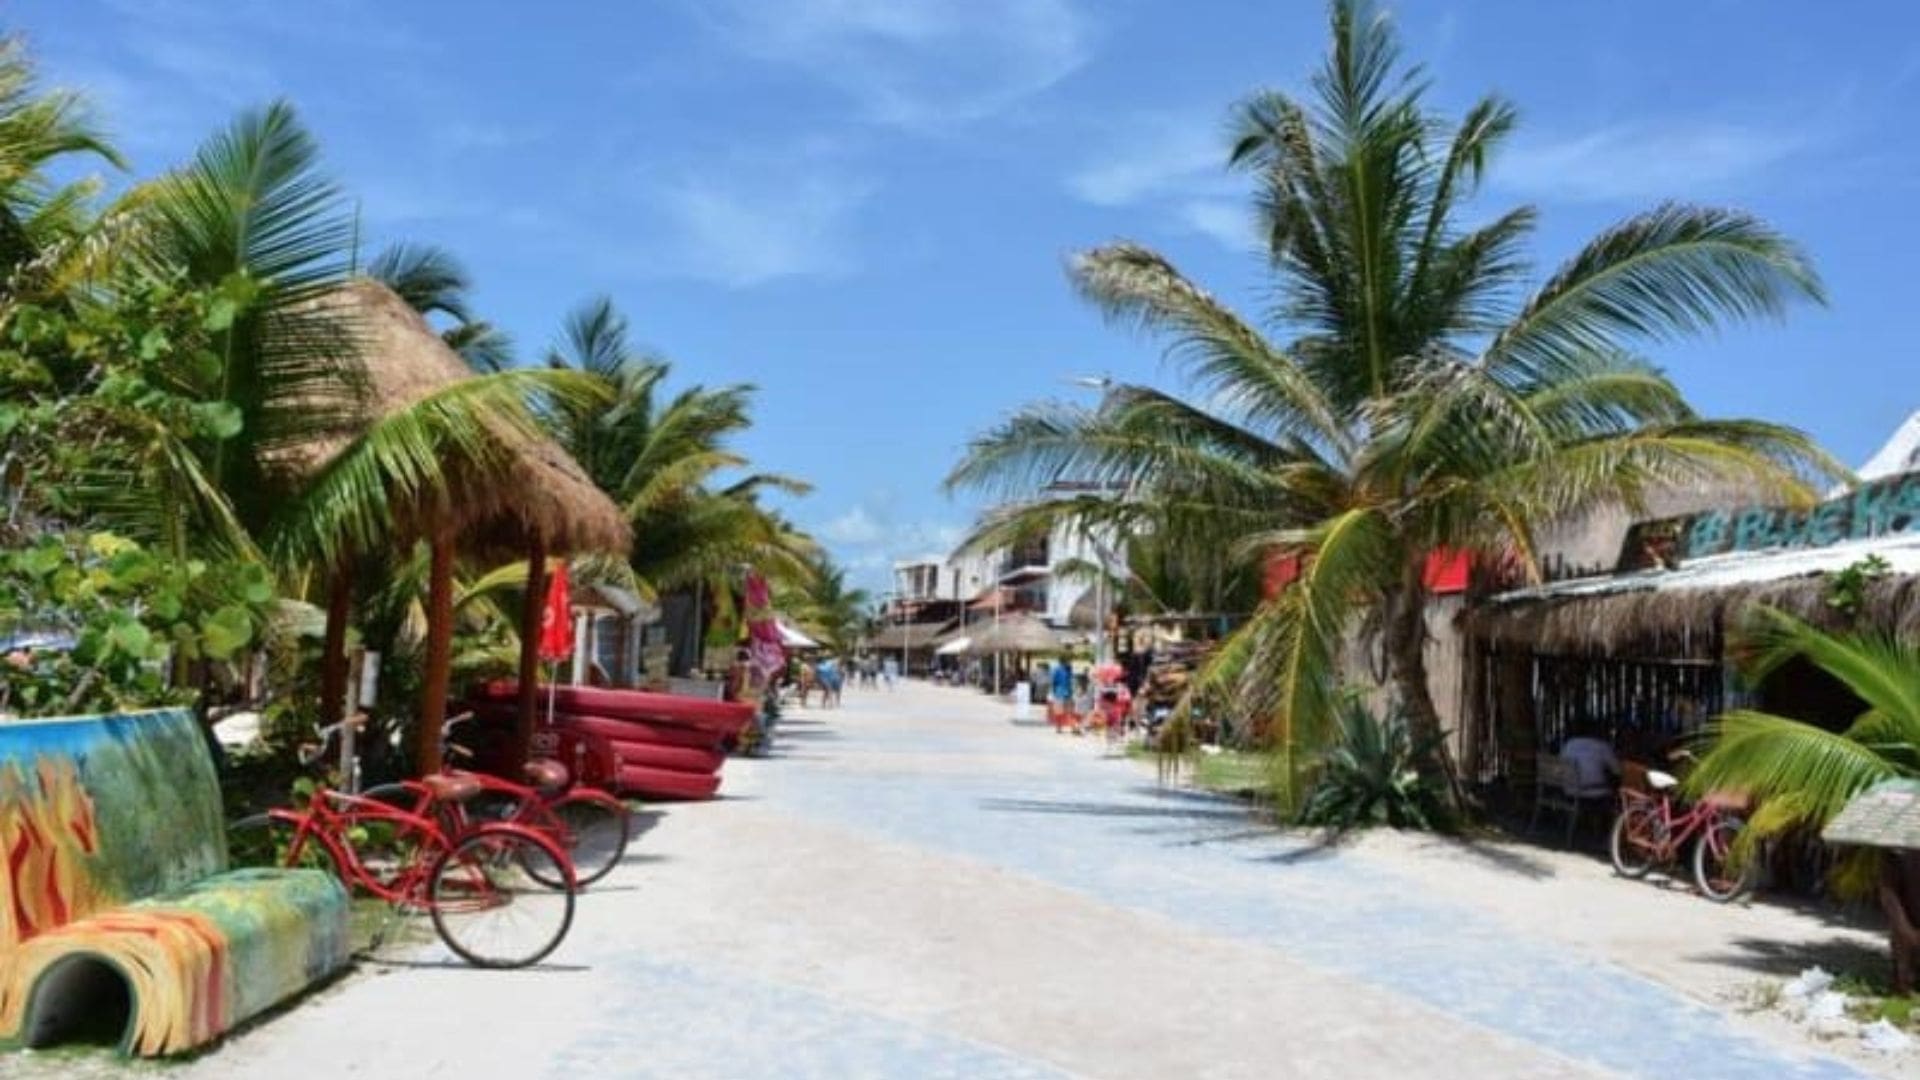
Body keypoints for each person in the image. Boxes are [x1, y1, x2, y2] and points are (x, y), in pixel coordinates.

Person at [1559, 723, 1620, 794]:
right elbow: (1617, 771)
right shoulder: (1601, 745)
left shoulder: (1568, 745)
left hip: (1570, 792)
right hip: (1596, 792)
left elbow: (1560, 769)